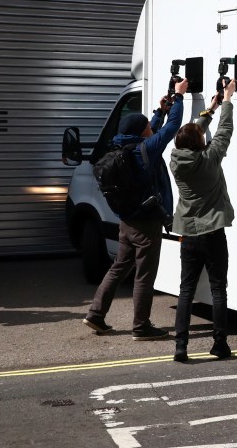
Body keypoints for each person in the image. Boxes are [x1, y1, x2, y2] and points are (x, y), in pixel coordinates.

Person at [83, 78, 188, 340]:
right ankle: (141, 326)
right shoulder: (147, 149)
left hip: (126, 221)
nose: (150, 131)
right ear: (142, 133)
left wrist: (159, 112)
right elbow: (172, 128)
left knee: (119, 267)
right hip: (147, 222)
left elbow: (148, 131)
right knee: (144, 276)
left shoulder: (122, 146)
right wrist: (179, 98)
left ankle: (96, 314)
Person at [170, 80, 237, 362]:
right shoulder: (210, 159)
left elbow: (195, 135)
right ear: (200, 143)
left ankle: (181, 347)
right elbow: (224, 133)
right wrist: (228, 101)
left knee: (186, 291)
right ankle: (219, 344)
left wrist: (210, 108)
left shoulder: (175, 160)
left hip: (189, 235)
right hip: (213, 234)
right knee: (218, 288)